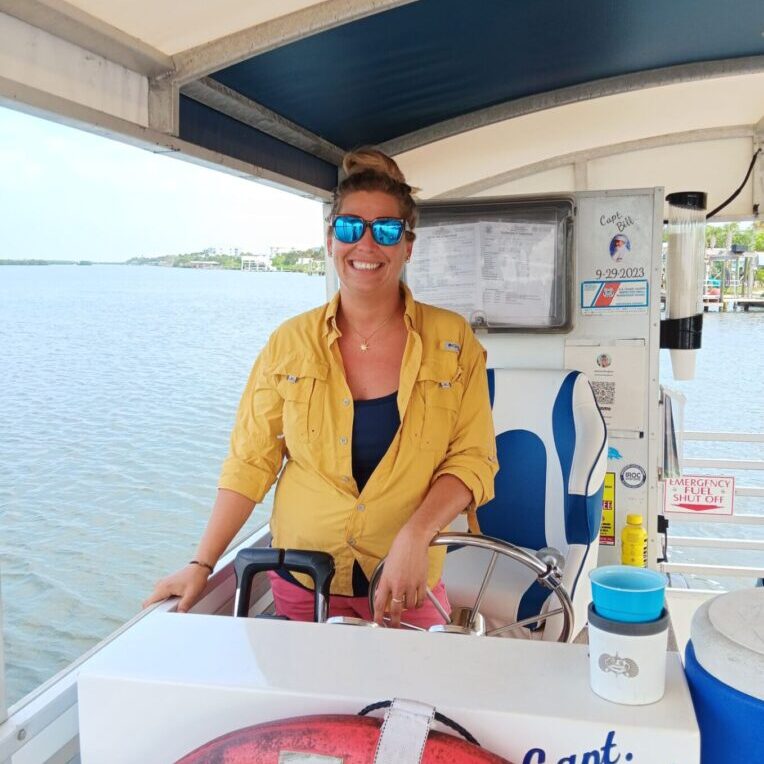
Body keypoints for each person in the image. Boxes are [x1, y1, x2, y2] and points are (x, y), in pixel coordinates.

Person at [144, 148, 498, 628]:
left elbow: (473, 458)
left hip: (404, 582)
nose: (367, 245)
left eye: (387, 230)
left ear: (408, 246)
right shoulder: (288, 342)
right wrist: (202, 564)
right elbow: (252, 461)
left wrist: (416, 535)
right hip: (300, 580)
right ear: (331, 240)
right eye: (351, 228)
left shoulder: (453, 340)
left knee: (400, 704)